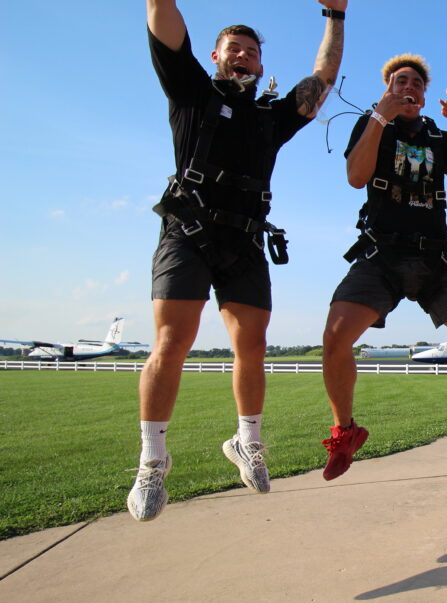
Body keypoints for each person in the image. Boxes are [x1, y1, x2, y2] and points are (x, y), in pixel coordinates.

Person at [128, 0, 348, 522]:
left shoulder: (271, 116)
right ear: (216, 56)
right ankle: (152, 459)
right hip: (189, 230)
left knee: (252, 344)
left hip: (245, 240)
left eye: (252, 52)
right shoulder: (191, 90)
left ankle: (247, 440)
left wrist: (335, 15)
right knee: (170, 342)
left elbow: (323, 77)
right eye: (235, 49)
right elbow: (161, 16)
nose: (244, 57)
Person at [321, 54, 447, 479]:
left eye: (415, 83)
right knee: (335, 339)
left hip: (433, 259)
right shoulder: (373, 124)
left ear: (424, 96)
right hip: (382, 255)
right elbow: (356, 177)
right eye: (399, 81)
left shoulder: (440, 139)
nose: (408, 87)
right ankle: (345, 432)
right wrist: (377, 117)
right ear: (387, 89)